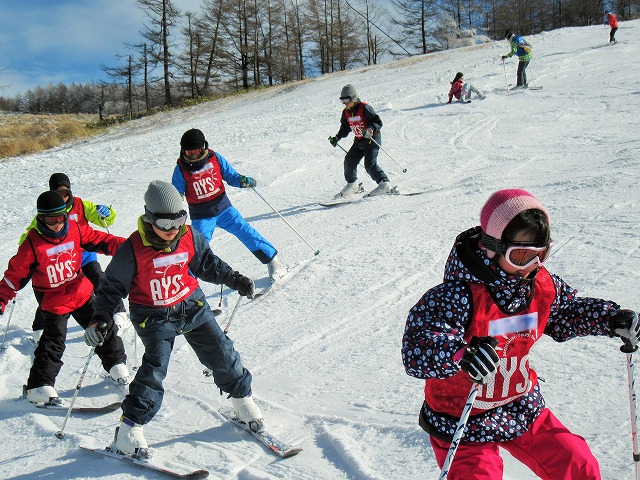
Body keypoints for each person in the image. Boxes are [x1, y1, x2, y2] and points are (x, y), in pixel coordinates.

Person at [402, 188, 640, 479]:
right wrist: (461, 354)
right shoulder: (457, 295)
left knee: (578, 464)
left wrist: (609, 319)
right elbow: (419, 345)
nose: (532, 266)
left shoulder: (540, 286)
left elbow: (564, 313)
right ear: (491, 248)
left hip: (518, 404)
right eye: (521, 255)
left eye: (541, 254)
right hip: (461, 416)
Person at [85, 180, 263, 457]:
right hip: (153, 315)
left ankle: (242, 401)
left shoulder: (189, 236)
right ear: (149, 218)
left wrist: (234, 278)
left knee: (222, 351)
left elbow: (208, 264)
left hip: (191, 305)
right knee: (155, 368)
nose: (172, 229)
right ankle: (129, 429)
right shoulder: (132, 249)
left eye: (179, 220)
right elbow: (111, 289)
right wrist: (100, 319)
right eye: (165, 223)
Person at [0, 191, 130, 403]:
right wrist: (2, 298)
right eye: (51, 220)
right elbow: (14, 276)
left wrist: (129, 249)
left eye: (60, 217)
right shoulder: (32, 244)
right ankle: (39, 387)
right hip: (53, 300)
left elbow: (103, 240)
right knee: (54, 342)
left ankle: (117, 366)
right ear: (41, 218)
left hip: (80, 291)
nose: (57, 224)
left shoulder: (75, 229)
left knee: (103, 327)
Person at [20, 173, 128, 346]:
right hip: (63, 262)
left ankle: (118, 314)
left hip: (85, 255)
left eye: (66, 192)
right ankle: (40, 329)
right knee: (52, 295)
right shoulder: (48, 213)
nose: (63, 196)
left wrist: (107, 213)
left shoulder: (81, 205)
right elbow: (30, 235)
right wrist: (27, 249)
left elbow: (105, 220)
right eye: (58, 193)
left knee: (98, 279)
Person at [171, 128, 284, 283]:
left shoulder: (214, 158)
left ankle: (273, 261)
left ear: (203, 148)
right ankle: (186, 283)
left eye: (196, 151)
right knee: (197, 247)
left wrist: (242, 181)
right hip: (202, 217)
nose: (194, 155)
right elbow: (176, 194)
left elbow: (231, 176)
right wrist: (174, 208)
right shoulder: (181, 169)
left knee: (245, 231)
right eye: (189, 152)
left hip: (224, 209)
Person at [328, 84, 391, 198]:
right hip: (359, 141)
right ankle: (353, 185)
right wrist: (337, 138)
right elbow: (345, 128)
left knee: (370, 164)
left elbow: (377, 122)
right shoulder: (346, 112)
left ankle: (384, 184)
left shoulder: (364, 107)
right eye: (342, 101)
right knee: (349, 161)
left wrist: (370, 129)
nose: (345, 103)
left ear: (353, 98)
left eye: (346, 100)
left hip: (371, 140)